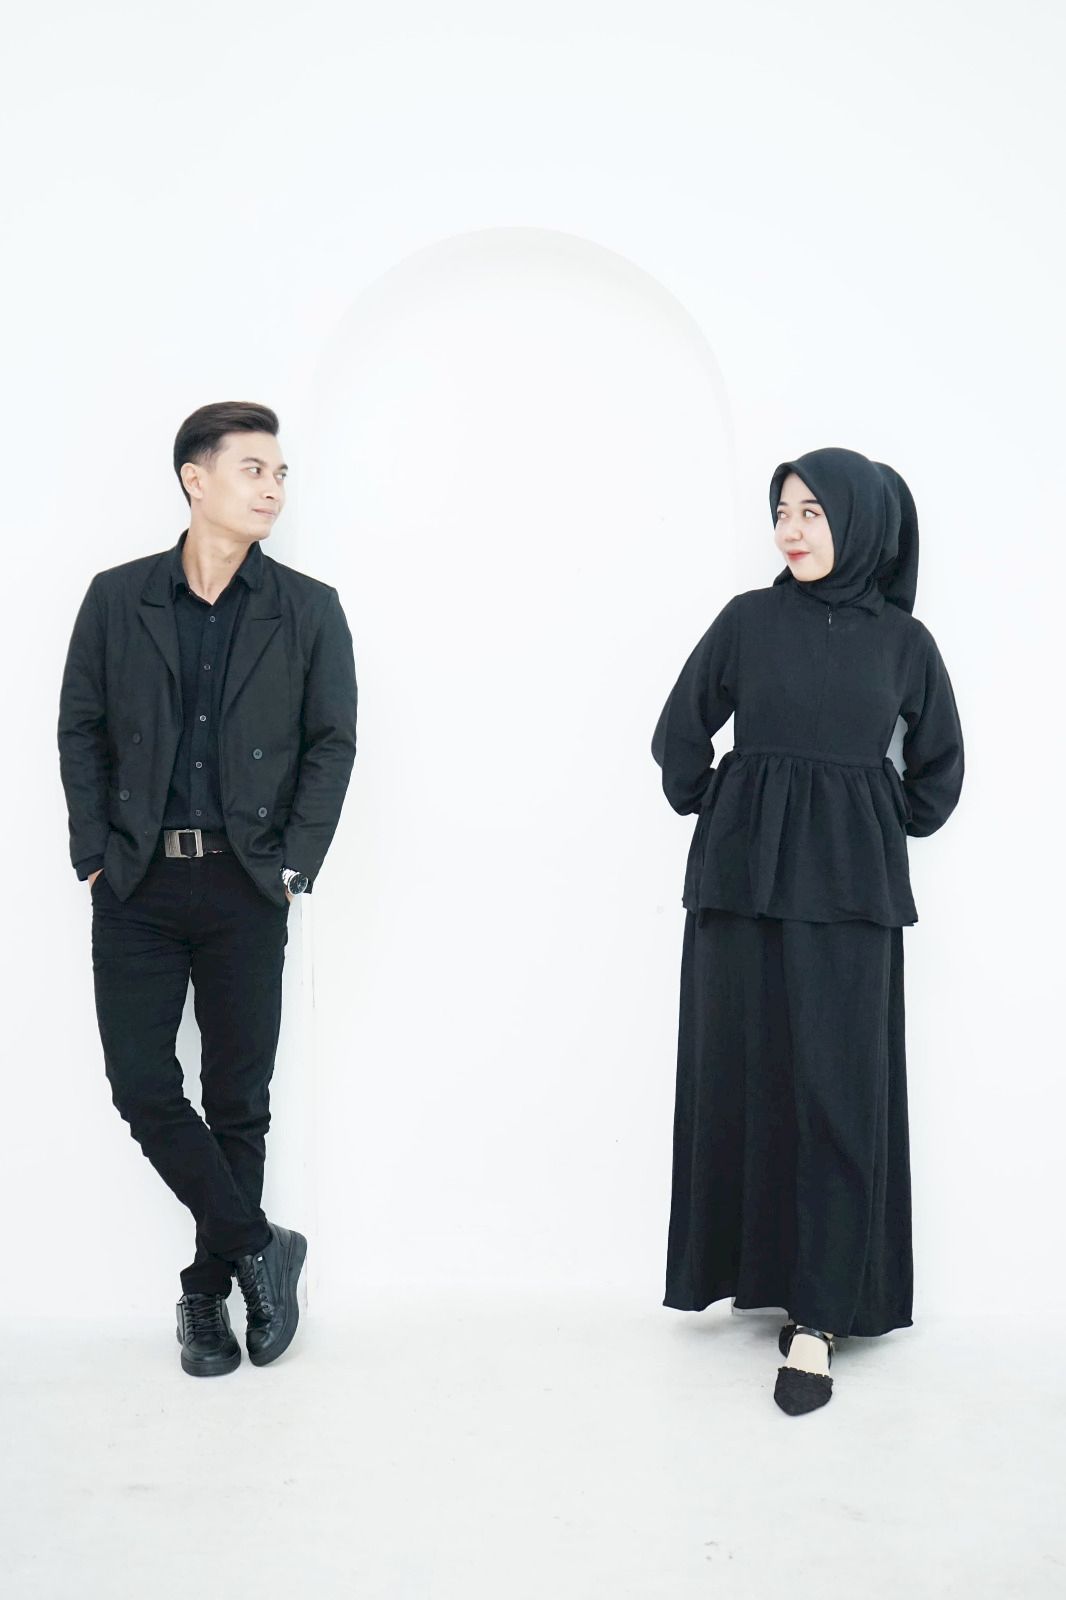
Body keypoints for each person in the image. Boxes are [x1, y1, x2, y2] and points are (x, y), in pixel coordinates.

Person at [651, 446, 964, 1415]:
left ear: (859, 522)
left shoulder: (903, 643)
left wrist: (875, 816)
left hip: (851, 893)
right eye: (782, 510)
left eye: (811, 512)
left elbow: (940, 772)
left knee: (839, 1092)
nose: (789, 529)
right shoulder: (747, 621)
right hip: (740, 883)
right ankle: (758, 1276)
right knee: (744, 1077)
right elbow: (678, 733)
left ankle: (820, 1318)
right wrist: (719, 801)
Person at [57, 400, 358, 1378]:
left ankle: (207, 1293)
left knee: (237, 1099)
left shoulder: (308, 609)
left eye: (281, 473)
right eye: (253, 469)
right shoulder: (118, 598)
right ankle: (261, 1244)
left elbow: (331, 743)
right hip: (137, 880)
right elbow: (81, 729)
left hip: (245, 882)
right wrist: (95, 852)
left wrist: (292, 864)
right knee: (144, 1086)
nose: (273, 488)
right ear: (197, 479)